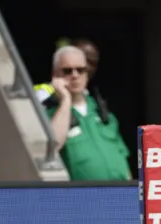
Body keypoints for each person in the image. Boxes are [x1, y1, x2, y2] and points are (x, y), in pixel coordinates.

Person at [34, 46, 132, 181]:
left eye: (80, 70)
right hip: (84, 197)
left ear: (87, 74)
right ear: (55, 75)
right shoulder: (51, 113)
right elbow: (52, 146)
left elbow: (122, 157)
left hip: (120, 195)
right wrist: (65, 100)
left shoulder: (102, 112)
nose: (75, 75)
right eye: (67, 71)